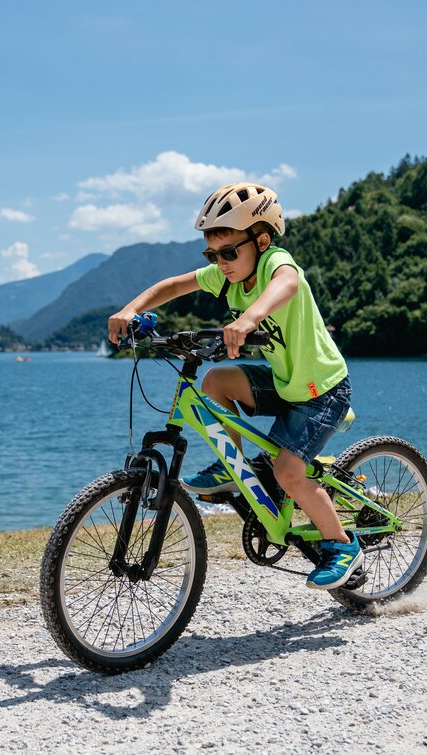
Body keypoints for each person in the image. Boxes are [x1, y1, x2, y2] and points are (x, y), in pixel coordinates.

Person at [107, 182, 360, 590]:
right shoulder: (226, 278)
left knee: (288, 472)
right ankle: (233, 467)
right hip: (284, 383)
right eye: (212, 254)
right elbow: (172, 286)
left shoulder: (275, 263)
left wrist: (249, 319)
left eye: (229, 252)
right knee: (215, 380)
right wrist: (130, 309)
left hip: (322, 391)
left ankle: (342, 546)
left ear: (261, 240)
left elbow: (286, 285)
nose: (220, 262)